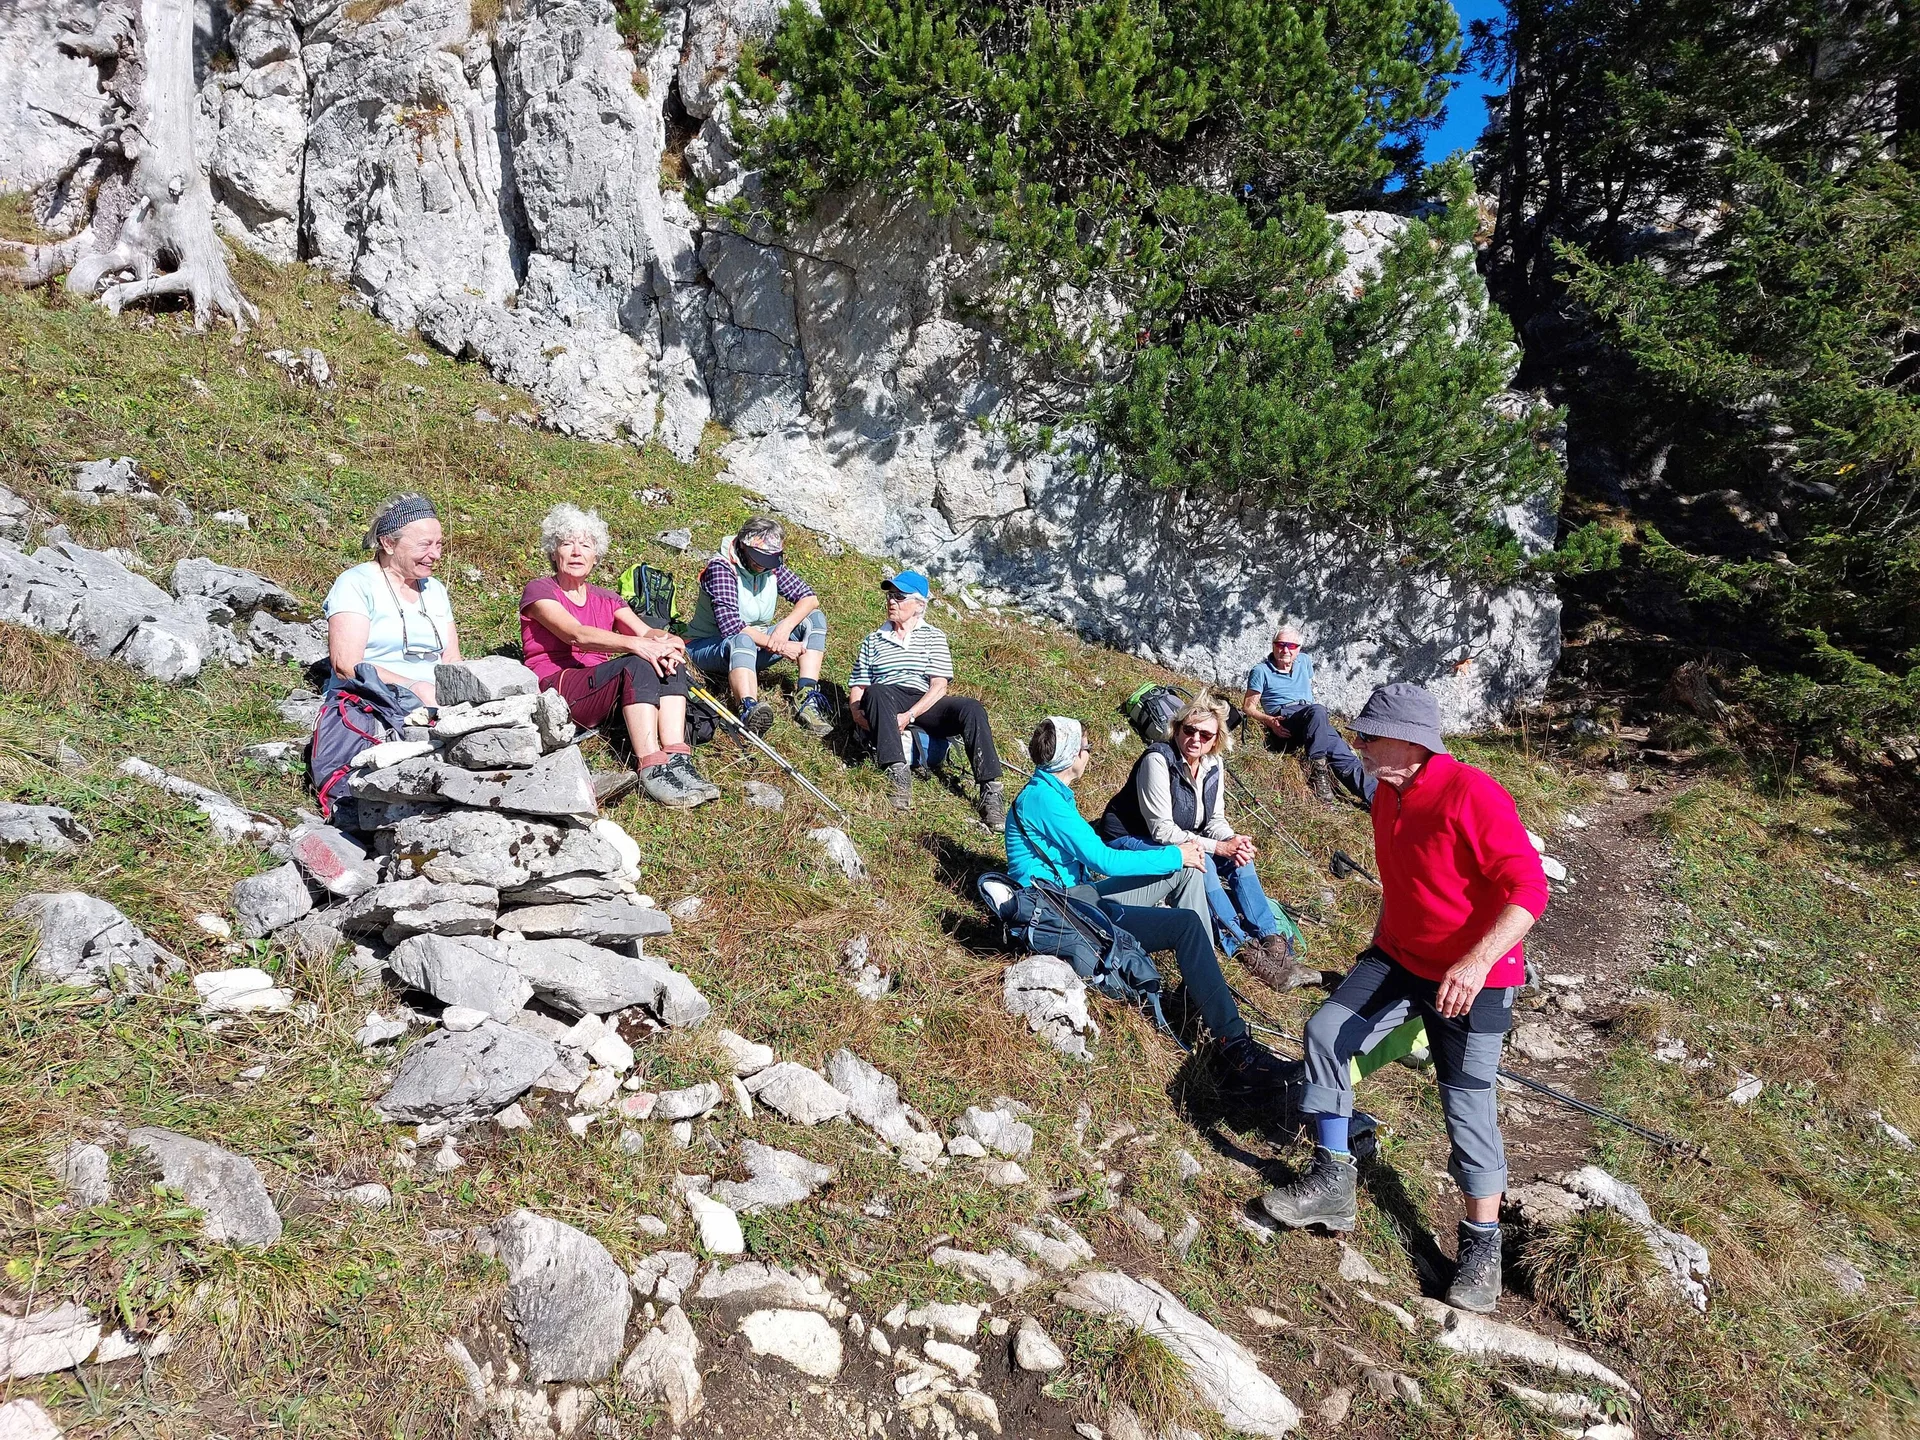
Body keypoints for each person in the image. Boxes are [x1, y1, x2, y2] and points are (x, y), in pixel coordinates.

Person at [1257, 682, 1548, 1315]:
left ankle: (1481, 1245)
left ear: (1412, 743)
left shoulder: (1472, 793)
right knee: (1326, 1033)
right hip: (1398, 957)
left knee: (1466, 1106)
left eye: (1370, 735)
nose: (1360, 744)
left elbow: (1529, 889)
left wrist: (1475, 962)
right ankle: (1334, 1180)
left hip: (1477, 976)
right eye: (1358, 734)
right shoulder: (1387, 790)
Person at [1004, 716, 1290, 1089]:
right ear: (1072, 755)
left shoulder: (1051, 793)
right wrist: (1176, 854)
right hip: (1066, 911)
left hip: (1077, 899)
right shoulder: (1044, 799)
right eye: (1086, 746)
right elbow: (1103, 860)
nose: (1089, 752)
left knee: (1187, 872)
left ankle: (1199, 996)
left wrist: (1182, 858)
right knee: (1184, 919)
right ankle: (1233, 1044)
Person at [1097, 696, 1306, 990]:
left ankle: (1271, 940)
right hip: (1130, 837)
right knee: (1201, 860)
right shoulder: (1157, 760)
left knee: (1241, 861)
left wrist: (1232, 840)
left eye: (1205, 735)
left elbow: (1214, 820)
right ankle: (1242, 946)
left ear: (1215, 739)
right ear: (1177, 728)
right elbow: (1162, 831)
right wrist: (1216, 847)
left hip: (1183, 835)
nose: (1195, 739)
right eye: (1189, 730)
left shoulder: (1213, 764)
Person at [520, 503, 719, 809]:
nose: (576, 552)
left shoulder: (607, 597)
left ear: (595, 556)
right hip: (556, 690)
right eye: (567, 544)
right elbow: (576, 634)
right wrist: (636, 645)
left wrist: (668, 642)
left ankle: (677, 759)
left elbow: (644, 632)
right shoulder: (540, 591)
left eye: (585, 545)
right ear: (553, 552)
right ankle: (651, 766)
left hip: (599, 687)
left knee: (667, 661)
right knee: (638, 661)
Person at [848, 570, 1006, 826]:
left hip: (923, 700)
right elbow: (860, 686)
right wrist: (857, 714)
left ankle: (991, 791)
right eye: (890, 596)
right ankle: (897, 774)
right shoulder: (873, 640)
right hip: (886, 696)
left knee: (972, 708)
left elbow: (939, 686)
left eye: (899, 596)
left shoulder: (934, 636)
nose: (891, 601)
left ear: (919, 605)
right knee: (877, 691)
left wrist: (910, 715)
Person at [685, 516, 833, 738]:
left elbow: (809, 598)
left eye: (769, 560)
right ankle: (748, 708)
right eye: (758, 559)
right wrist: (781, 647)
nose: (763, 565)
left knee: (814, 618)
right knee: (740, 639)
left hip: (758, 645)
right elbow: (731, 627)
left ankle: (806, 697)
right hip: (708, 647)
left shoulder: (770, 567)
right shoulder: (722, 569)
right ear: (743, 547)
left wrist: (784, 628)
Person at [326, 492, 462, 706]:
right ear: (388, 543)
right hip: (372, 700)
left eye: (439, 544)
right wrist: (413, 687)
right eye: (425, 545)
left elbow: (452, 660)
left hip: (434, 700)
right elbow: (346, 665)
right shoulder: (356, 584)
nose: (435, 554)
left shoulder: (435, 590)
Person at [1243, 623, 1375, 806]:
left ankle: (1378, 801)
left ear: (1299, 649)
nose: (1285, 650)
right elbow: (1248, 707)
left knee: (1343, 754)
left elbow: (1308, 687)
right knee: (1318, 710)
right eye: (1281, 644)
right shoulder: (1261, 671)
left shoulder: (1304, 661)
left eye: (1291, 646)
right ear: (1273, 645)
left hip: (1312, 717)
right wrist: (1270, 721)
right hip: (1286, 719)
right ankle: (1318, 771)